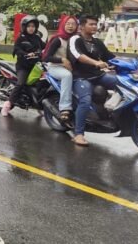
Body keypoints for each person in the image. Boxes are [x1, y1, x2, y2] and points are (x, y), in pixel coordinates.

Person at [68, 15, 117, 146]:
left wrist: (133, 63)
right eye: (91, 24)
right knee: (85, 101)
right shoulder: (75, 39)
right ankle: (78, 134)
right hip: (81, 77)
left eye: (96, 24)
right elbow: (79, 56)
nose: (95, 26)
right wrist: (96, 62)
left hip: (98, 75)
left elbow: (110, 57)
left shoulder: (97, 42)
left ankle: (112, 111)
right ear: (82, 26)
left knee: (121, 83)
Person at [2, 15, 46, 117]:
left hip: (36, 66)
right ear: (25, 27)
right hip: (23, 66)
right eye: (29, 26)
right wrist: (25, 54)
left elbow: (46, 47)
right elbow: (17, 50)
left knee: (43, 83)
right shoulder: (21, 38)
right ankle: (7, 105)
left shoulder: (37, 38)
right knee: (21, 84)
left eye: (33, 26)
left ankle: (39, 105)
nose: (31, 28)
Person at [42, 16, 79, 122]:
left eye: (73, 24)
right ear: (63, 25)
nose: (70, 26)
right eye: (68, 23)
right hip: (55, 67)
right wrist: (62, 60)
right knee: (67, 76)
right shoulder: (58, 39)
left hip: (71, 68)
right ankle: (65, 107)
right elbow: (46, 57)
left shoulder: (76, 39)